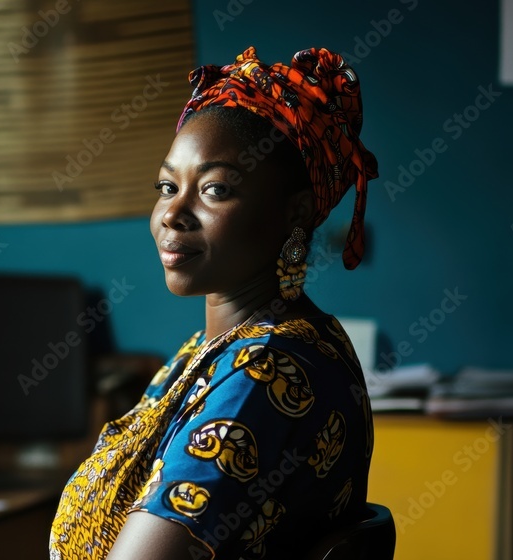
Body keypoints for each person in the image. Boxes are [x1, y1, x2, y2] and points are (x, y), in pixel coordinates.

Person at [49, 45, 379, 560]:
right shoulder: (210, 352)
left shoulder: (264, 372)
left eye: (215, 189)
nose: (172, 214)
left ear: (295, 212)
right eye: (166, 186)